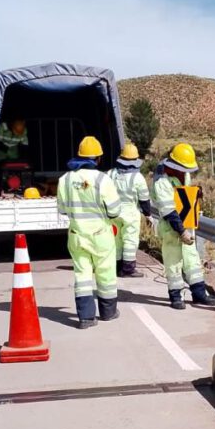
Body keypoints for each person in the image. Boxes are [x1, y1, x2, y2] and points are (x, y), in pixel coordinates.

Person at [56, 136, 122, 329]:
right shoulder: (104, 180)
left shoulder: (65, 180)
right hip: (101, 235)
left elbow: (62, 209)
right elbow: (115, 211)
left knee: (82, 275)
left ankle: (86, 317)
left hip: (77, 235)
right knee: (106, 274)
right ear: (98, 158)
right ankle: (108, 312)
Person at [150, 143, 215, 310]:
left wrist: (196, 193)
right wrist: (181, 232)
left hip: (186, 226)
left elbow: (184, 198)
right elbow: (169, 211)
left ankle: (199, 293)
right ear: (174, 164)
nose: (186, 172)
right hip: (170, 228)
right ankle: (176, 296)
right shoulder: (161, 182)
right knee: (173, 263)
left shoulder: (183, 175)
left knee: (192, 261)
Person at [110, 143, 152, 278]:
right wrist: (148, 214)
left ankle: (116, 267)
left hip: (113, 212)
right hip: (130, 213)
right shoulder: (138, 178)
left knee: (116, 240)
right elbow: (144, 199)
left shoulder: (111, 173)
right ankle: (128, 269)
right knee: (130, 240)